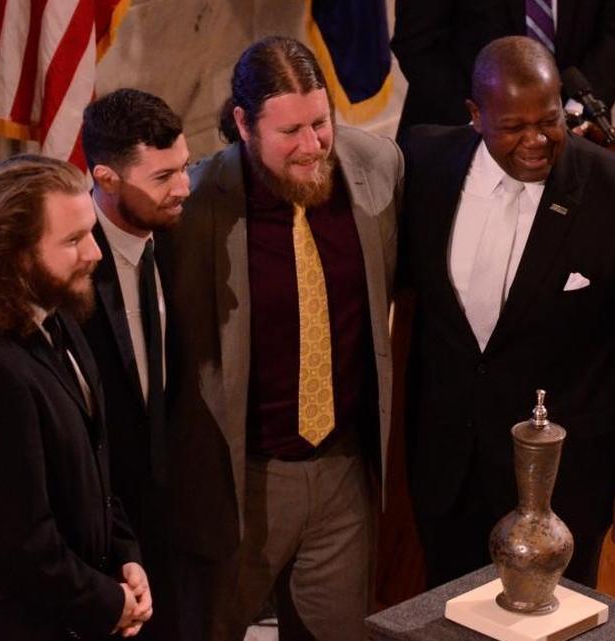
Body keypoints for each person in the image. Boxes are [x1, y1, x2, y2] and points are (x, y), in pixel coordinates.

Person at [397, 36, 615, 590]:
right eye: (513, 126)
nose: (536, 140)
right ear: (475, 116)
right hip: (448, 472)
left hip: (565, 486)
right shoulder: (424, 163)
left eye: (549, 119)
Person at [0, 89, 191, 640]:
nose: (93, 252)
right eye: (74, 240)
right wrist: (109, 602)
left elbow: (92, 455)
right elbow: (18, 545)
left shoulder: (54, 310)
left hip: (117, 562)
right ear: (14, 254)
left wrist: (124, 556)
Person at [162, 36, 401, 641]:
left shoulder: (377, 169)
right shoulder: (192, 207)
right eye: (290, 131)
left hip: (343, 475)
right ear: (243, 123)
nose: (313, 145)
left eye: (321, 123)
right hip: (237, 483)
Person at [391, 0, 615, 135]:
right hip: (457, 145)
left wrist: (576, 113)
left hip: (574, 144)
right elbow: (419, 44)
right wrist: (484, 123)